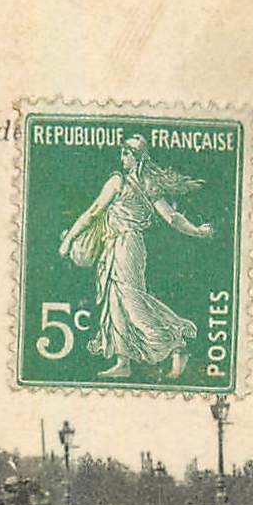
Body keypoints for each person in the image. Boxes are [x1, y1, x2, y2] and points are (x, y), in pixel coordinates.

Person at [58, 136, 215, 380]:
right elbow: (172, 217)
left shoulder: (118, 182)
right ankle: (123, 362)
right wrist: (196, 231)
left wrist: (68, 241)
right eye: (121, 153)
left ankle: (175, 345)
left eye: (126, 153)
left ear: (136, 156)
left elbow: (93, 212)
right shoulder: (147, 183)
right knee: (115, 302)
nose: (122, 158)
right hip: (119, 246)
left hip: (125, 245)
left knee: (131, 301)